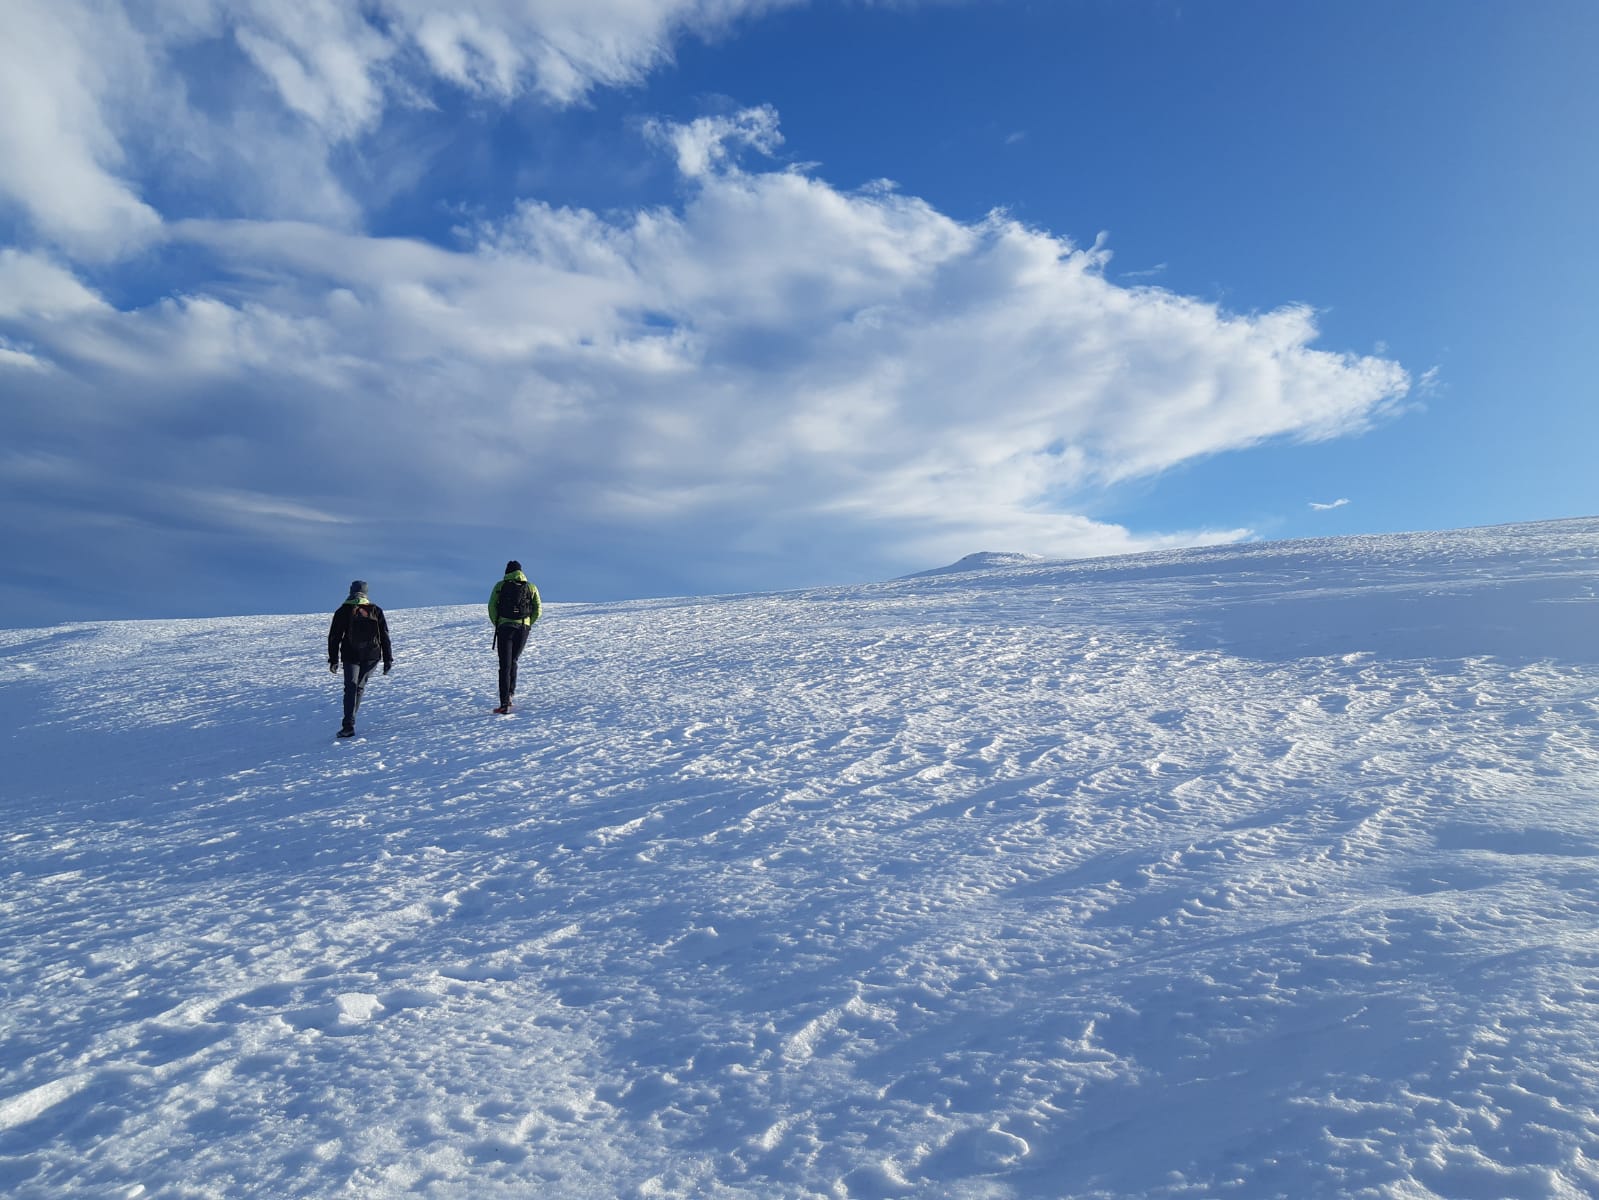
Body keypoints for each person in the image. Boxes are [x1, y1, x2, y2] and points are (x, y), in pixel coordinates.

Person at [327, 579, 393, 738]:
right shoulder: (375, 610)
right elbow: (384, 635)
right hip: (372, 655)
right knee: (359, 687)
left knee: (350, 687)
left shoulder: (343, 610)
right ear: (366, 592)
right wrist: (388, 659)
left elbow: (334, 637)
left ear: (351, 591)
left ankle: (348, 725)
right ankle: (350, 721)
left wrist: (333, 659)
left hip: (351, 654)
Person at [488, 560, 541, 714]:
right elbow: (538, 608)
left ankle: (504, 703)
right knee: (513, 660)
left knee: (505, 664)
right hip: (523, 628)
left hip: (505, 628)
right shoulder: (530, 586)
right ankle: (510, 694)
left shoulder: (500, 586)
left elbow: (492, 606)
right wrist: (528, 624)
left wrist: (498, 623)